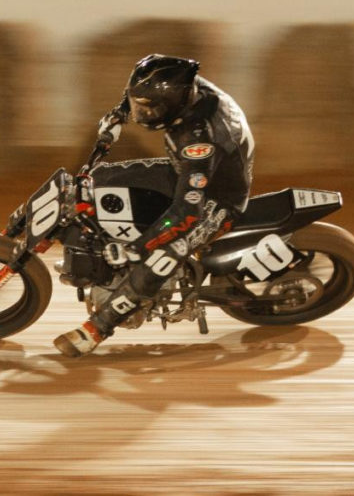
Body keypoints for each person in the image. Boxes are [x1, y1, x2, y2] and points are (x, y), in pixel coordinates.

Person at [54, 54, 254, 357]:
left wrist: (137, 249)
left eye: (150, 108)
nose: (142, 114)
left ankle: (97, 328)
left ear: (176, 103)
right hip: (184, 172)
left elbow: (187, 213)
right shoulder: (186, 87)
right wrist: (119, 114)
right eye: (139, 105)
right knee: (102, 178)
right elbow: (139, 92)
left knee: (160, 257)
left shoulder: (198, 140)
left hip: (216, 200)